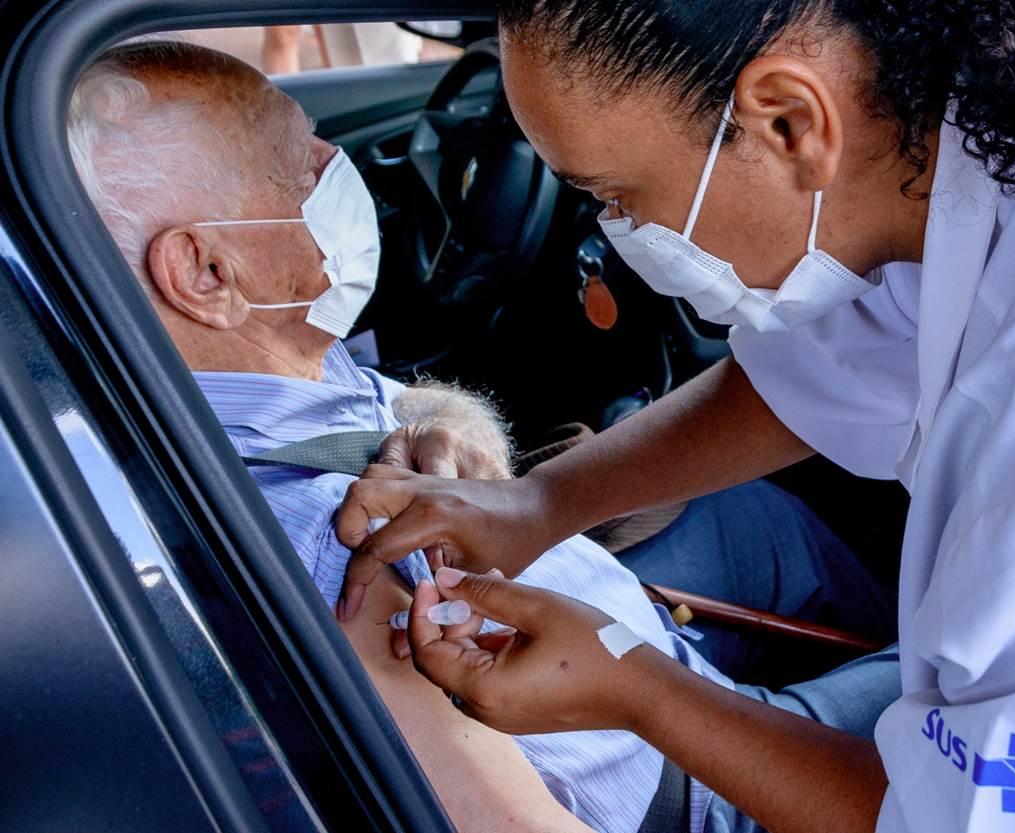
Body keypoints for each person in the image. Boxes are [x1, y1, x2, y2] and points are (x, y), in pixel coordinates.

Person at [333, 3, 1015, 833]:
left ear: (789, 120)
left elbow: (988, 817)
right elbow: (828, 363)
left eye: (619, 194)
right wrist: (543, 504)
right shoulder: (990, 121)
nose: (614, 229)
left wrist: (639, 688)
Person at [68, 40, 895, 833]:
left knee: (756, 522)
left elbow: (384, 409)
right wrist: (642, 686)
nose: (337, 168)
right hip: (697, 786)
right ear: (208, 276)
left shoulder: (233, 388)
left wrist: (459, 435)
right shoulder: (330, 570)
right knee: (954, 703)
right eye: (296, 165)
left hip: (623, 626)